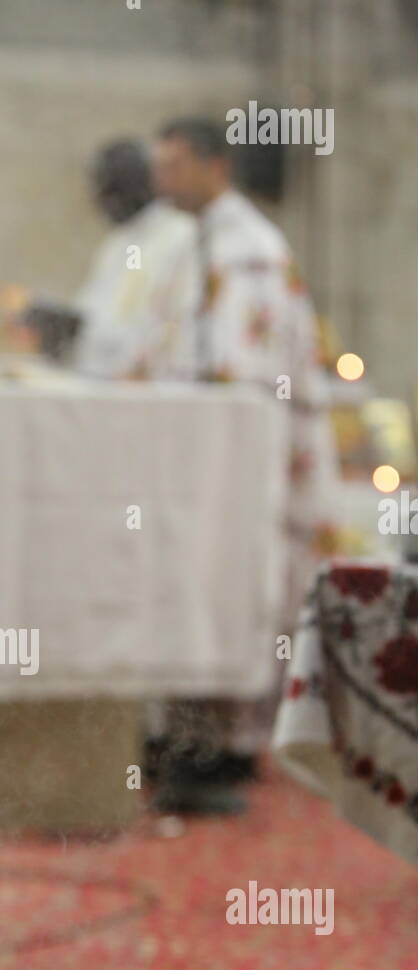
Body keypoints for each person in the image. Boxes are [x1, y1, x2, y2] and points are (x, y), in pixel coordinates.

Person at [146, 117, 338, 813]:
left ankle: (228, 746)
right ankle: (188, 736)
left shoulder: (249, 251)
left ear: (212, 165)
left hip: (239, 464)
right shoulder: (193, 243)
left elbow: (245, 379)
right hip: (205, 458)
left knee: (232, 585)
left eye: (172, 166)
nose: (161, 180)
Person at [24, 139, 195, 378]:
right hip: (98, 377)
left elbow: (164, 325)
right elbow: (93, 310)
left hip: (148, 381)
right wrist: (62, 324)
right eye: (100, 190)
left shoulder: (181, 236)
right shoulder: (116, 243)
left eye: (114, 189)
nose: (103, 201)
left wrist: (84, 330)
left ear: (145, 183)